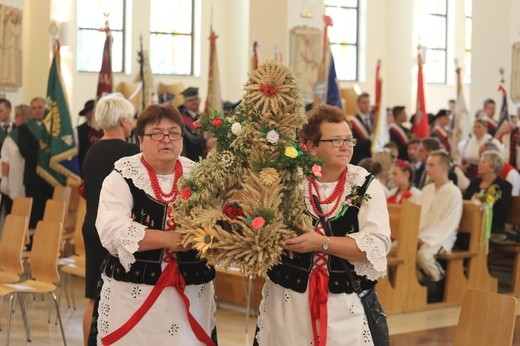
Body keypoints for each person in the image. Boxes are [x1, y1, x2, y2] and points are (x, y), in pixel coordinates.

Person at [255, 104, 391, 345]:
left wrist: (322, 243)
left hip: (343, 305)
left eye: (349, 140)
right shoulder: (288, 180)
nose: (346, 147)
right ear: (311, 146)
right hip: (289, 303)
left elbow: (377, 247)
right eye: (336, 141)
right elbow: (261, 229)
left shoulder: (365, 184)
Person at [92, 104, 217, 345]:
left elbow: (216, 220)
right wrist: (168, 239)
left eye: (174, 132)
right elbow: (112, 230)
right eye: (156, 133)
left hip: (191, 291)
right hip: (134, 294)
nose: (166, 139)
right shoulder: (122, 176)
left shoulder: (199, 175)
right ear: (140, 140)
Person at [80, 94, 140, 344]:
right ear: (124, 120)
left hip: (92, 226)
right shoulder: (131, 153)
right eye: (132, 117)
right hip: (117, 231)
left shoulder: (91, 151)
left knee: (94, 298)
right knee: (124, 294)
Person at [417, 150, 462, 284]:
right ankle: (414, 286)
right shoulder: (426, 190)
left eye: (431, 165)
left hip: (442, 237)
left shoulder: (453, 193)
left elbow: (448, 224)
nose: (427, 169)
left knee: (423, 256)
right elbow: (418, 216)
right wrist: (416, 235)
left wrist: (424, 238)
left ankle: (439, 281)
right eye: (426, 165)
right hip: (421, 235)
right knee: (395, 249)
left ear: (443, 168)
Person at [17, 97, 53, 229]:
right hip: (33, 179)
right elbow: (25, 151)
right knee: (34, 214)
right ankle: (33, 245)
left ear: (45, 108)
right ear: (30, 110)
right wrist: (45, 156)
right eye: (34, 108)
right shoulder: (24, 128)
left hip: (50, 178)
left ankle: (48, 243)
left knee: (49, 214)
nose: (37, 111)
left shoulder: (52, 128)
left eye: (40, 107)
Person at [463, 150, 512, 235]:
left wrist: (482, 203)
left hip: (490, 227)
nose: (479, 165)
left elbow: (500, 212)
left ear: (493, 167)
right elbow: (465, 202)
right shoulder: (475, 182)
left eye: (483, 162)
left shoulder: (503, 186)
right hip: (469, 224)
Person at [0, 104, 32, 206]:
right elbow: (5, 158)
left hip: (30, 179)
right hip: (14, 178)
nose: (15, 119)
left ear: (26, 116)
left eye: (18, 115)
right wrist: (4, 178)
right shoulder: (11, 137)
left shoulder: (34, 134)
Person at [76, 99, 104, 174]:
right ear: (86, 114)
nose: (93, 114)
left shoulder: (104, 129)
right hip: (84, 166)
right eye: (91, 111)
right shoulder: (79, 130)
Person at [179, 87, 205, 161]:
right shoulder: (180, 119)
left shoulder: (204, 116)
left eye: (196, 99)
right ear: (185, 103)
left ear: (199, 100)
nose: (194, 102)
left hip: (203, 157)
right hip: (186, 158)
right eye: (190, 100)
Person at [348, 92, 372, 164]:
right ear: (358, 104)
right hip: (359, 159)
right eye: (364, 103)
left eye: (368, 102)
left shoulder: (373, 120)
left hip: (371, 157)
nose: (367, 105)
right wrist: (369, 141)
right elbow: (352, 142)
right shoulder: (353, 122)